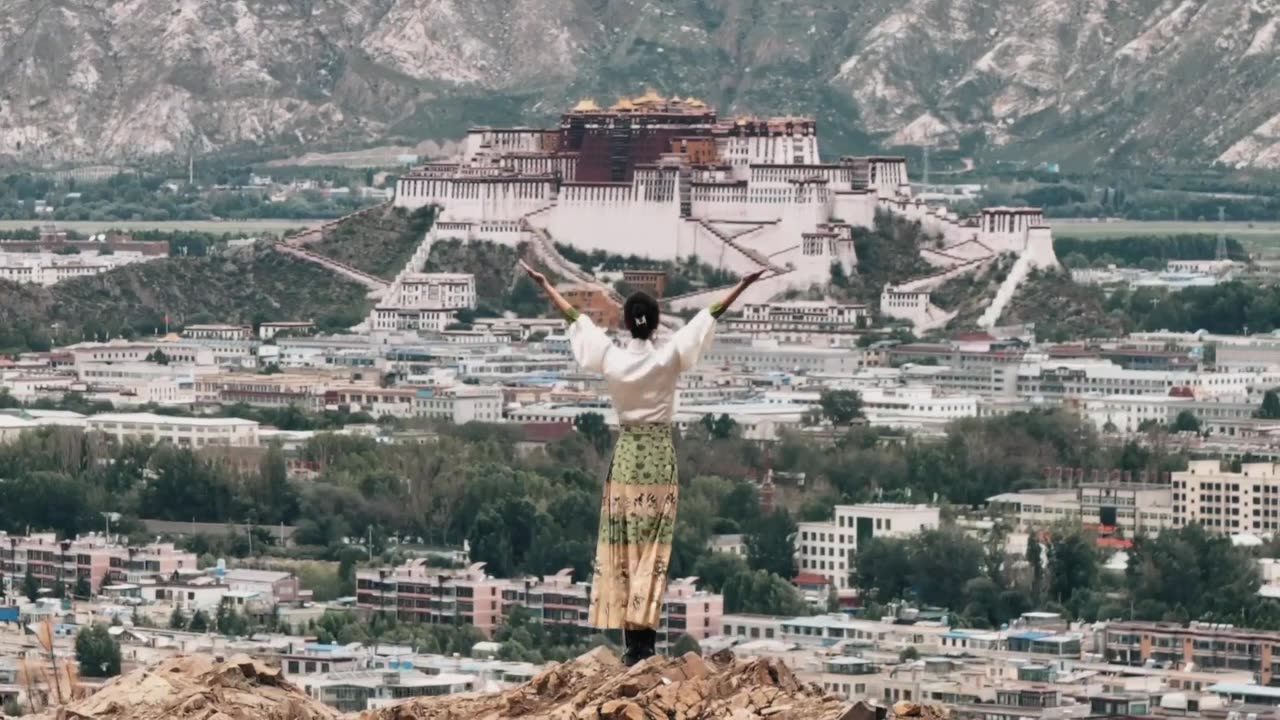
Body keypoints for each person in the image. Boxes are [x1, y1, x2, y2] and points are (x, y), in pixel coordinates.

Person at [520, 260, 766, 665]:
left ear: (625, 323)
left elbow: (576, 320)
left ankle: (629, 643)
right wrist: (740, 285)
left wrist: (547, 284)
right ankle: (645, 643)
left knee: (622, 547)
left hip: (627, 459)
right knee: (653, 551)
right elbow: (707, 318)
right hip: (658, 460)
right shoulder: (667, 358)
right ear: (654, 325)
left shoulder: (613, 361)